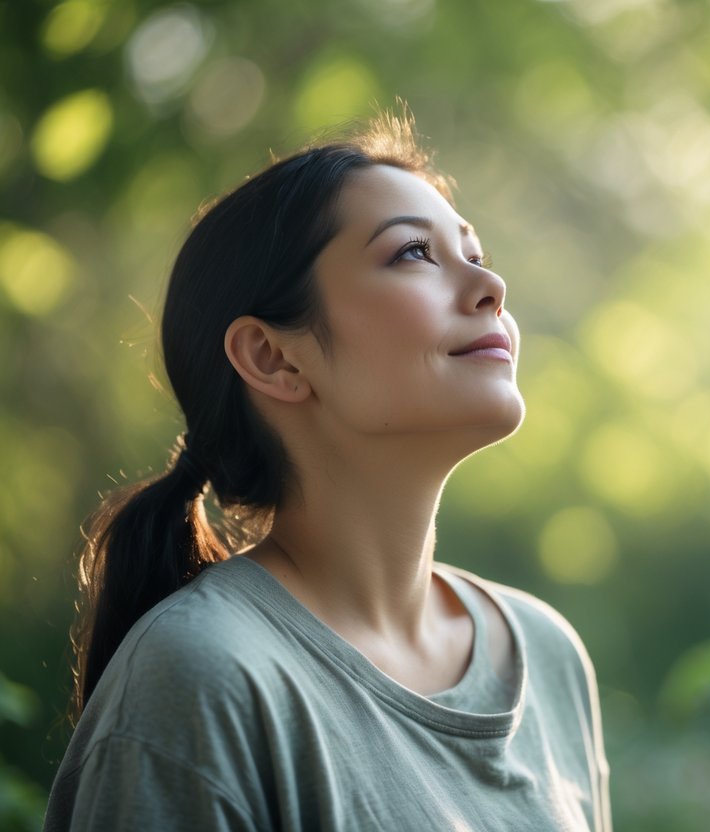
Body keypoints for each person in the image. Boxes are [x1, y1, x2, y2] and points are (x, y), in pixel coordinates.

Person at [43, 109, 611, 831]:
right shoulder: (203, 675)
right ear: (273, 358)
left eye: (474, 251)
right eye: (413, 254)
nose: (489, 285)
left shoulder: (546, 654)